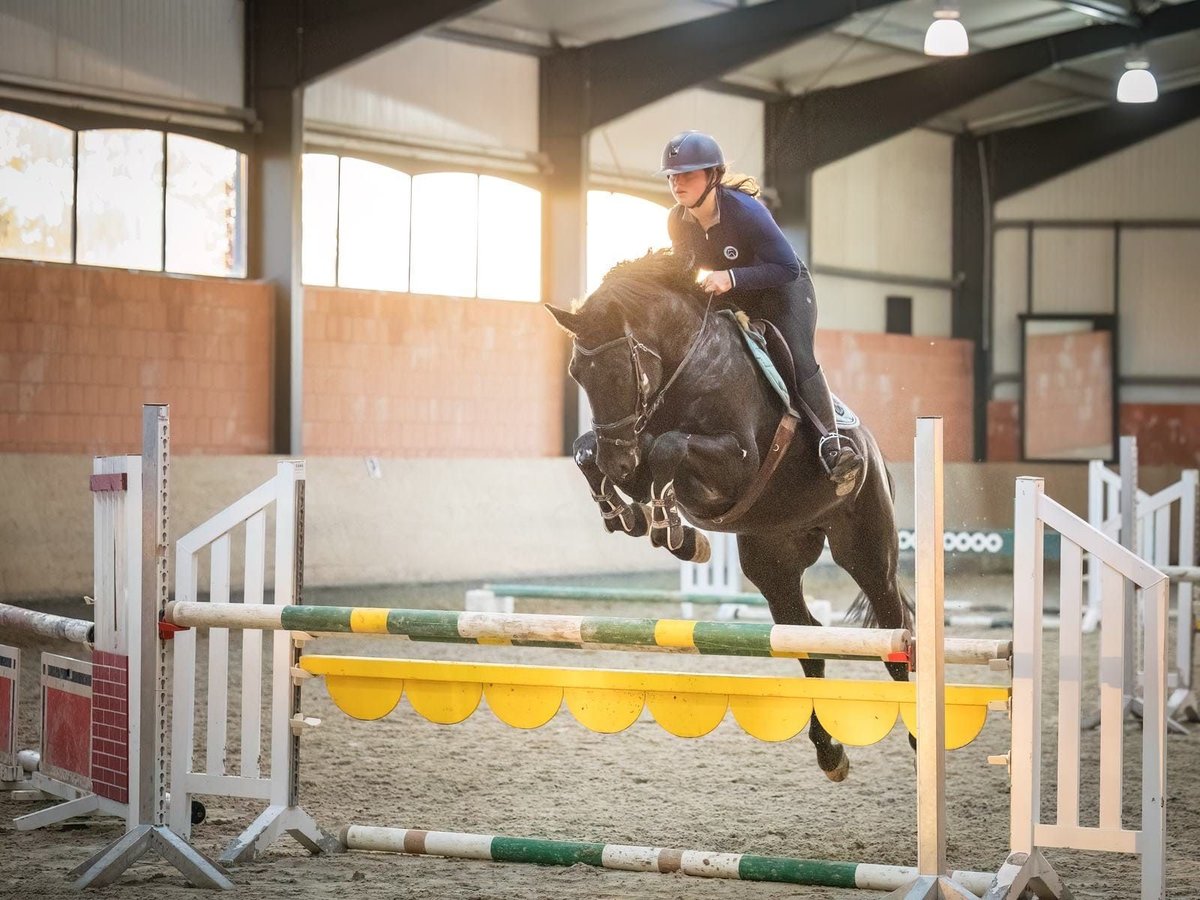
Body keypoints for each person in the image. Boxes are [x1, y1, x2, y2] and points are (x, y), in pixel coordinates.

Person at [658, 130, 863, 495]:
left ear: (714, 176)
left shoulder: (746, 211)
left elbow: (786, 267)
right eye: (673, 176)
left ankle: (832, 446)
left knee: (795, 357)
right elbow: (684, 274)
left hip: (785, 291)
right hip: (737, 292)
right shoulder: (678, 221)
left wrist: (732, 276)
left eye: (688, 175)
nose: (678, 183)